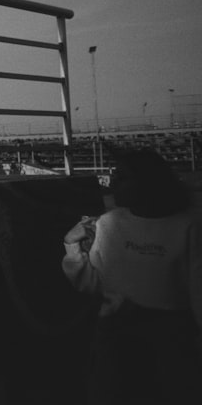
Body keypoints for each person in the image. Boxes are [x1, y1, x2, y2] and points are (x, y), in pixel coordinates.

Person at [61, 148, 202, 404]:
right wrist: (71, 245)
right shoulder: (108, 223)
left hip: (169, 339)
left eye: (123, 177)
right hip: (116, 334)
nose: (113, 183)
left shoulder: (189, 227)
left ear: (148, 182)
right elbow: (94, 285)